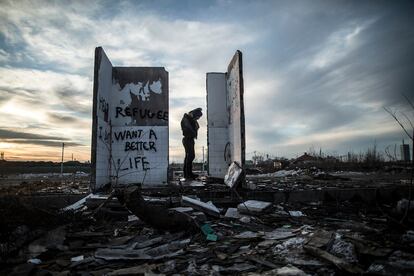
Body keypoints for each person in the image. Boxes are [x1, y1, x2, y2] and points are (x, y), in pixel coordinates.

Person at [181, 108, 202, 179]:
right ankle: (188, 174)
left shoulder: (189, 119)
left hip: (189, 139)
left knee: (189, 156)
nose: (197, 119)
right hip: (187, 139)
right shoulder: (186, 119)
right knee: (190, 156)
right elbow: (189, 129)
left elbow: (196, 127)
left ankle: (188, 173)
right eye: (197, 117)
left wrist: (194, 121)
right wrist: (194, 130)